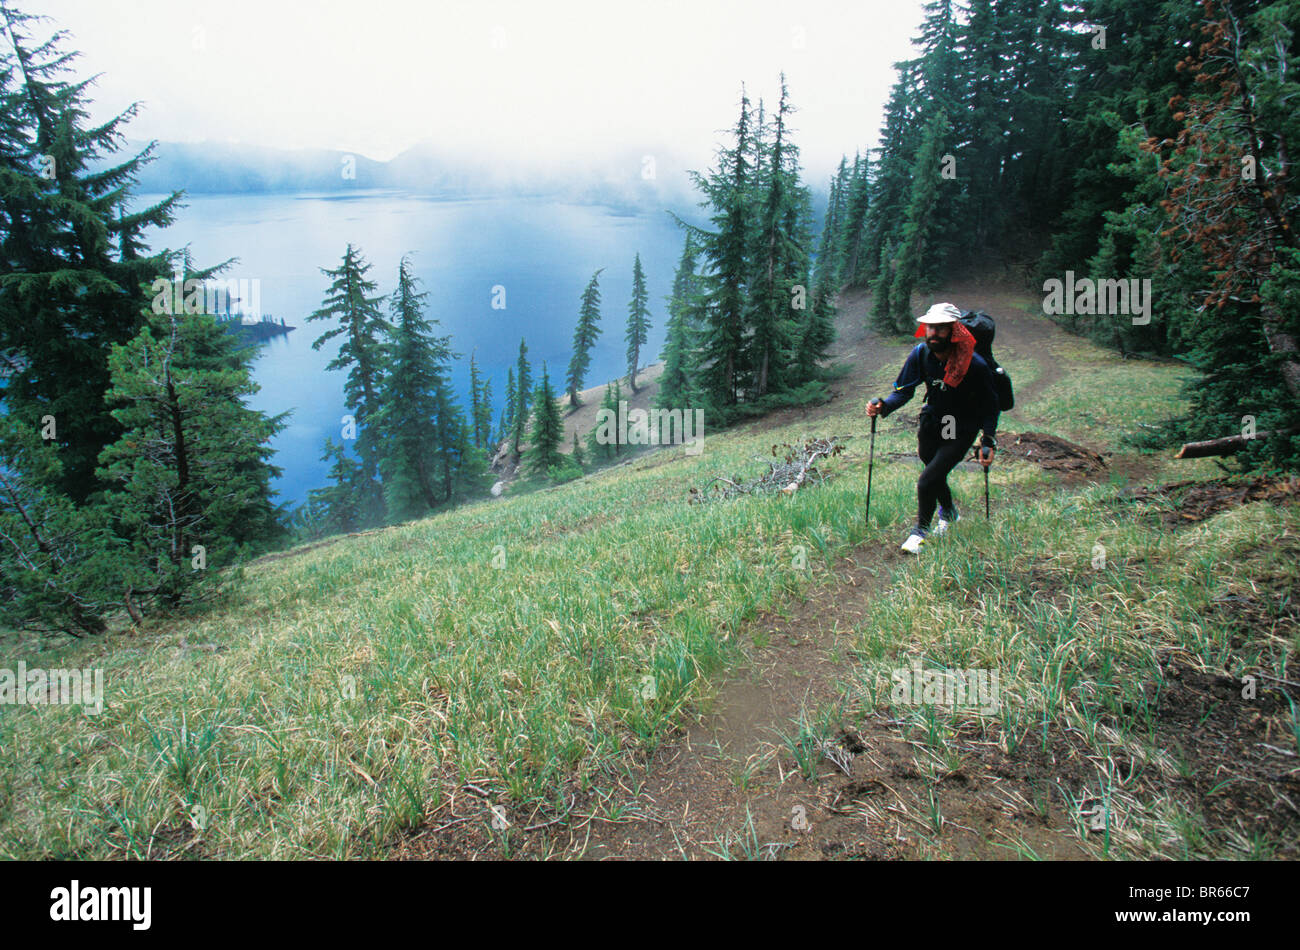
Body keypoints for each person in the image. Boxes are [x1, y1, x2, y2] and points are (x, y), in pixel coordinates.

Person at [866, 302, 999, 553]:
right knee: (933, 470)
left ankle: (920, 532)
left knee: (927, 480)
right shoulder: (920, 354)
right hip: (933, 421)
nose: (933, 334)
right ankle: (949, 513)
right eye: (930, 327)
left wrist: (988, 439)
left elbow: (991, 405)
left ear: (954, 330)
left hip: (961, 426)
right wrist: (883, 406)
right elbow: (903, 391)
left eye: (940, 328)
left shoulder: (975, 364)